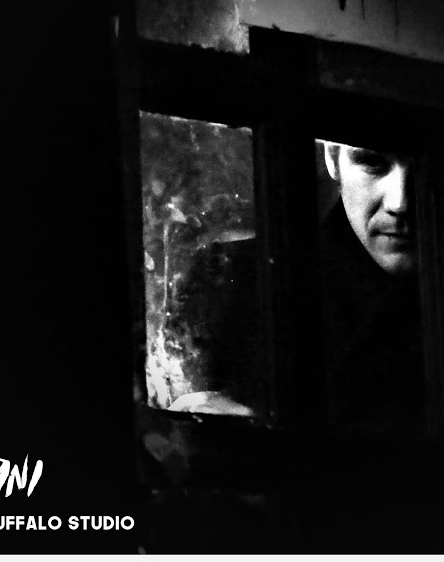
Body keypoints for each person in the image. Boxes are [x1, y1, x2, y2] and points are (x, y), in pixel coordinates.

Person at [165, 142, 427, 435]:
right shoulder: (229, 278)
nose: (400, 202)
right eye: (372, 162)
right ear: (331, 158)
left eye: (425, 169)